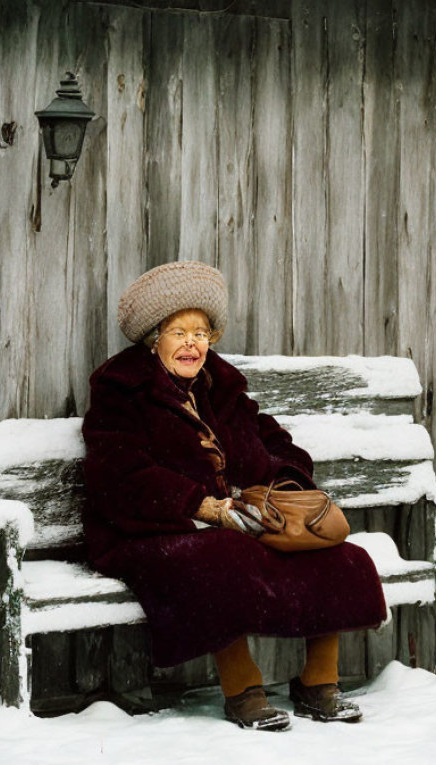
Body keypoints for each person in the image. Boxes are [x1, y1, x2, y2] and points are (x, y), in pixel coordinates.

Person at [82, 260, 387, 731]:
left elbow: (271, 441)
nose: (192, 344)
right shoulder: (122, 391)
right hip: (151, 526)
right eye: (179, 332)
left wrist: (285, 487)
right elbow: (119, 475)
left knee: (335, 553)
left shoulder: (218, 385)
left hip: (233, 517)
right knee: (221, 556)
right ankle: (243, 691)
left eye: (201, 333)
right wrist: (202, 506)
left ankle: (319, 684)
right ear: (153, 339)